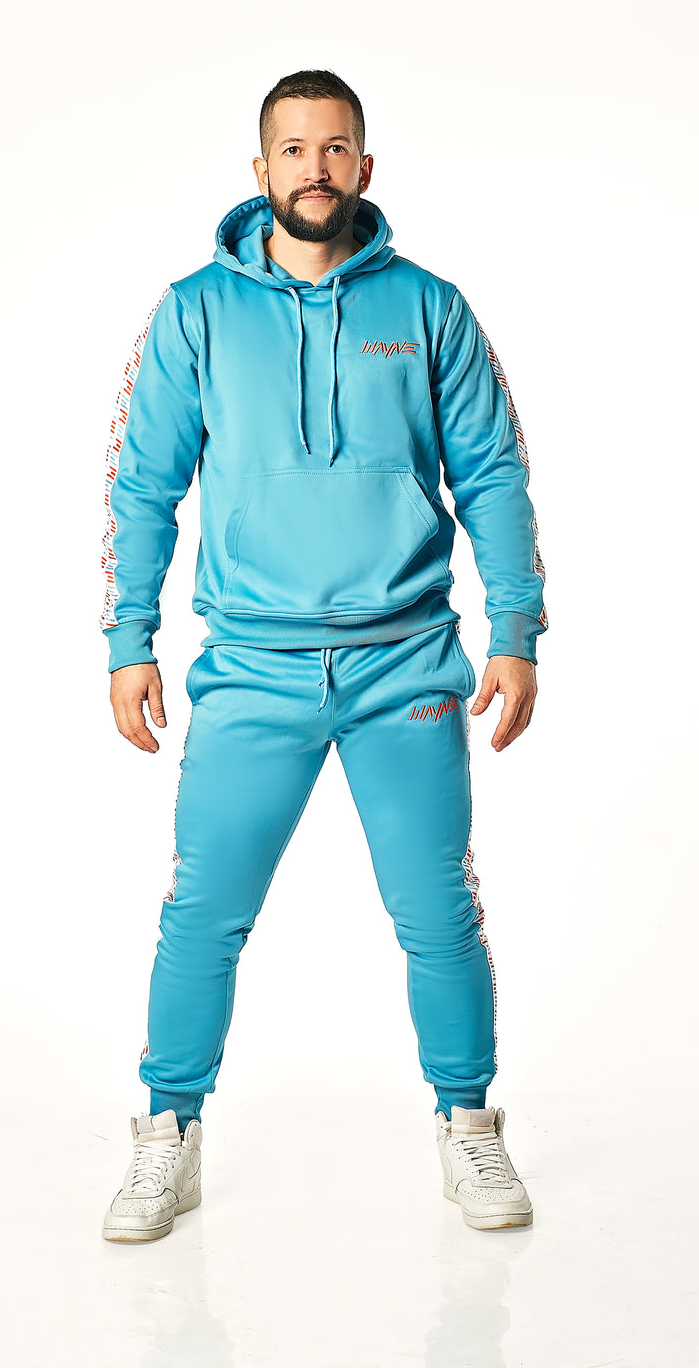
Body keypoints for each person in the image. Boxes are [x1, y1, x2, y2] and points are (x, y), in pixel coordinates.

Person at [98, 69, 549, 1242]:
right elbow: (141, 483)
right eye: (294, 149)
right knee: (203, 911)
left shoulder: (429, 306)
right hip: (251, 666)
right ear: (260, 170)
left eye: (335, 147)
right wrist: (128, 639)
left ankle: (467, 1122)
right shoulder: (195, 312)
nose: (315, 167)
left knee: (438, 911)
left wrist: (514, 629)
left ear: (364, 166)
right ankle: (166, 1134)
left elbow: (493, 472)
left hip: (407, 665)